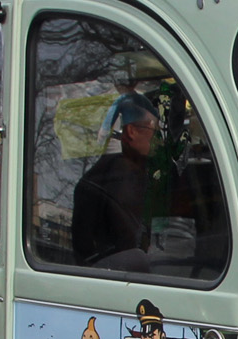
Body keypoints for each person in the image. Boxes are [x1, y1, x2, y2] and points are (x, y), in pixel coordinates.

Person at [71, 90, 186, 267]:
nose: (159, 141)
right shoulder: (120, 177)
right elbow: (130, 246)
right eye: (154, 132)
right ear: (131, 131)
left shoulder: (97, 176)